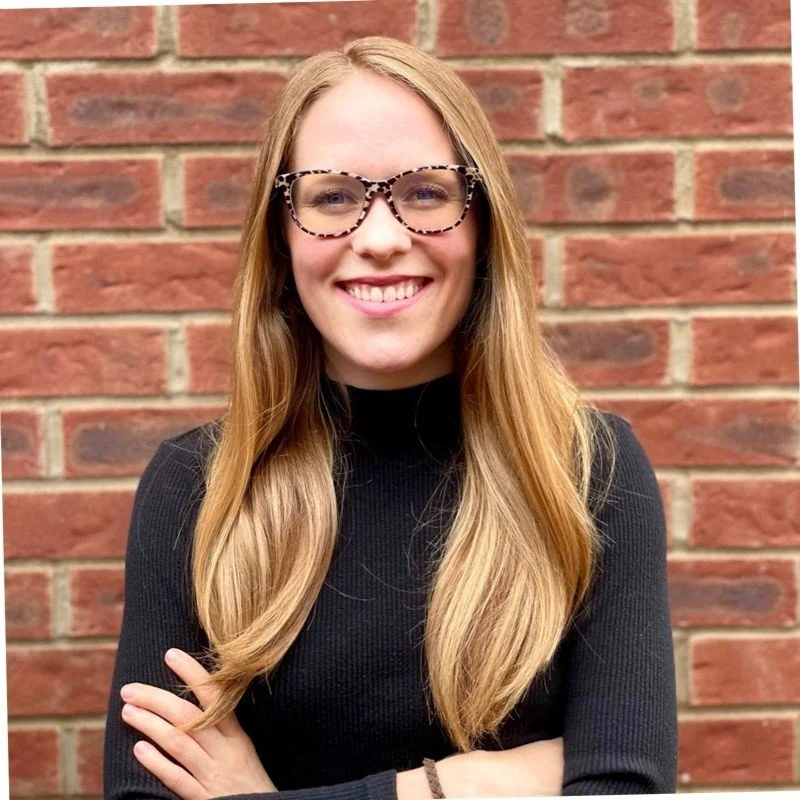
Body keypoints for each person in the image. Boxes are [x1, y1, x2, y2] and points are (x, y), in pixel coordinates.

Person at [103, 36, 678, 800]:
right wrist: (458, 786)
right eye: (332, 196)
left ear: (483, 225)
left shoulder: (588, 469)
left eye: (426, 192)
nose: (379, 238)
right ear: (282, 236)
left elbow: (624, 791)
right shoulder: (199, 488)